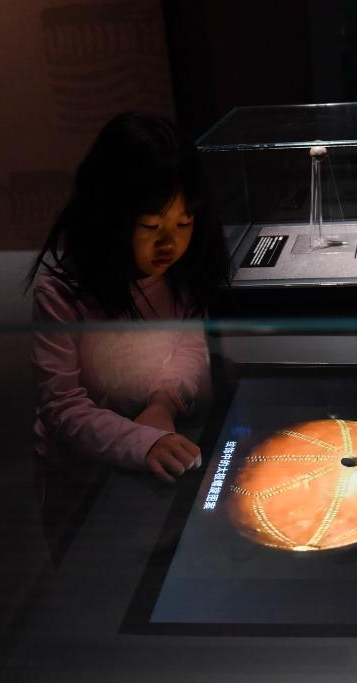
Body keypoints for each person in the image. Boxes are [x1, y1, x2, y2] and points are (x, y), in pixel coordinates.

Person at [25, 112, 228, 492]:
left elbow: (189, 346)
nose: (170, 243)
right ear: (108, 217)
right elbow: (61, 404)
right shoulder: (62, 295)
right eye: (151, 226)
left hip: (162, 444)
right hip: (79, 477)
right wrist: (141, 441)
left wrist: (163, 404)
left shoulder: (180, 274)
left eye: (184, 224)